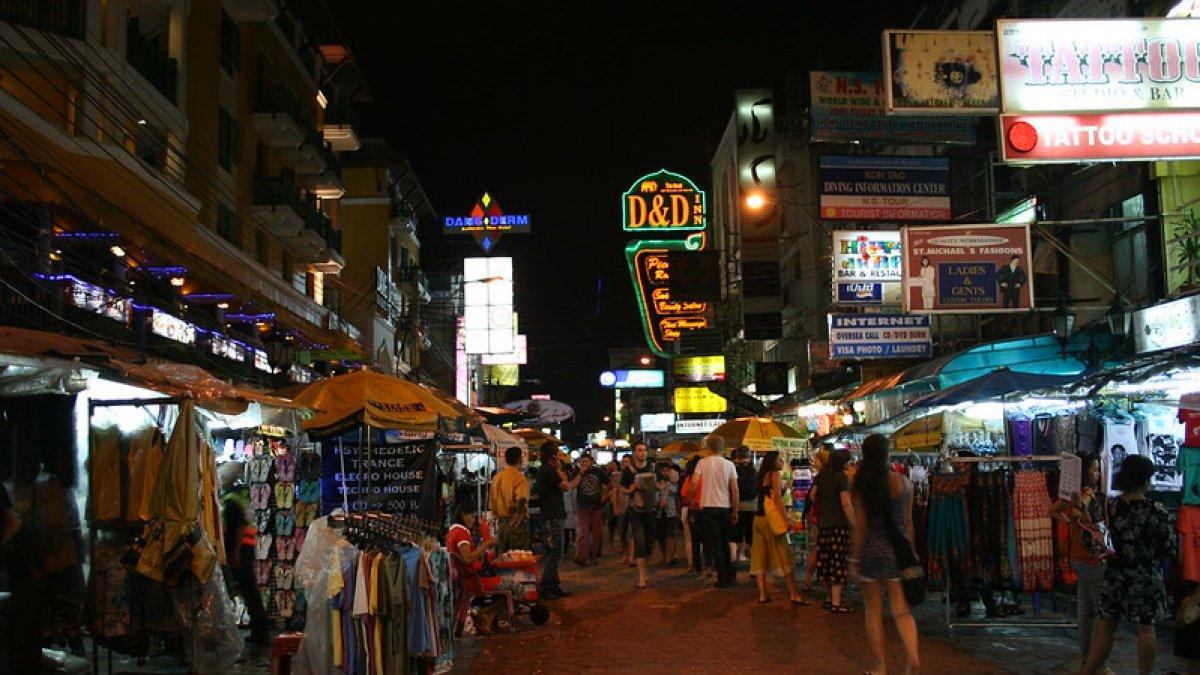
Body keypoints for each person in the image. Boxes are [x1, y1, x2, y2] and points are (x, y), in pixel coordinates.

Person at [1082, 455, 1175, 675]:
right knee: (1146, 627)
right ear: (1145, 480)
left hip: (1115, 575)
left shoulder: (1109, 508)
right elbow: (1167, 548)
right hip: (1146, 576)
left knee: (1105, 627)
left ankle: (1085, 673)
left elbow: (1092, 542)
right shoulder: (1157, 511)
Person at [849, 434, 920, 675]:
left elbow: (860, 527)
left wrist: (854, 559)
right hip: (897, 552)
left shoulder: (862, 484)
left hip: (871, 551)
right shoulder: (904, 483)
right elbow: (908, 522)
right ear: (887, 453)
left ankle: (880, 667)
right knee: (901, 610)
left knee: (873, 612)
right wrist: (911, 551)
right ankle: (912, 656)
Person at [1050, 454, 1110, 672]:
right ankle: (1098, 664)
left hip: (1078, 557)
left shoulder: (1071, 495)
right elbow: (1077, 511)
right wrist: (1081, 517)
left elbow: (1053, 511)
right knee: (1102, 614)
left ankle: (1086, 658)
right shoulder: (1087, 494)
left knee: (1085, 614)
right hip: (1092, 559)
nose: (1098, 473)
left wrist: (1072, 526)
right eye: (1094, 469)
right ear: (1085, 473)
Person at [446, 499, 519, 635]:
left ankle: (487, 616)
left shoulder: (452, 531)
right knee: (517, 589)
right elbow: (467, 558)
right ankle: (486, 614)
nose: (473, 520)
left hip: (467, 579)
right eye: (472, 516)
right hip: (474, 581)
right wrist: (485, 545)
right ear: (463, 515)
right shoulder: (461, 533)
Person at [750, 451, 806, 605]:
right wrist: (786, 519)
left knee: (759, 557)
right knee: (784, 555)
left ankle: (762, 595)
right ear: (773, 461)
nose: (782, 462)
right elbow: (778, 501)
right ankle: (794, 593)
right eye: (779, 459)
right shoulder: (774, 474)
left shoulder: (761, 475)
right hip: (771, 521)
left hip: (758, 519)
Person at [222, 499, 270, 646]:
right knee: (250, 594)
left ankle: (260, 634)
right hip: (245, 552)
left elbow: (239, 530)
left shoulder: (232, 507)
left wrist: (235, 552)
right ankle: (259, 632)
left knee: (250, 593)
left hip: (242, 553)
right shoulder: (235, 506)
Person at [813, 449, 854, 612]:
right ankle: (836, 604)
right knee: (837, 563)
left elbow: (812, 495)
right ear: (843, 462)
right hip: (839, 525)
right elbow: (846, 503)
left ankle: (829, 599)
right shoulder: (842, 478)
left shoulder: (821, 475)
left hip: (823, 524)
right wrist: (855, 522)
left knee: (826, 561)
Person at [696, 435, 739, 588]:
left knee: (716, 544)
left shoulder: (702, 463)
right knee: (725, 542)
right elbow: (734, 489)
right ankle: (730, 574)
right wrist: (735, 510)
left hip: (708, 508)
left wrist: (690, 500)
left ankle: (722, 578)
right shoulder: (729, 465)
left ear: (709, 447)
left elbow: (694, 483)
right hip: (725, 508)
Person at [535, 442, 572, 599]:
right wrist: (558, 468)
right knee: (555, 552)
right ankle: (546, 586)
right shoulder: (549, 471)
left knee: (554, 551)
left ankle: (554, 585)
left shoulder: (544, 470)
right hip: (552, 517)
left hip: (551, 515)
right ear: (552, 455)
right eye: (556, 453)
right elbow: (566, 485)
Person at [620, 442, 658, 588]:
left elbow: (661, 484)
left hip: (651, 510)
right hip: (635, 511)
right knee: (640, 542)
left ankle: (645, 569)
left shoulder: (653, 468)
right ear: (634, 453)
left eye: (644, 450)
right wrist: (630, 490)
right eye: (639, 450)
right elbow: (622, 488)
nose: (642, 453)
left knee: (649, 543)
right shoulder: (629, 471)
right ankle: (641, 577)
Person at [489, 446, 530, 552]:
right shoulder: (519, 478)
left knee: (502, 559)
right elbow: (521, 499)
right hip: (516, 524)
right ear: (520, 459)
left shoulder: (497, 477)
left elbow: (492, 504)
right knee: (517, 559)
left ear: (505, 459)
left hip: (501, 525)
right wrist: (519, 515)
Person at [572, 454, 607, 566]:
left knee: (596, 533)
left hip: (597, 505)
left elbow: (610, 483)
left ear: (591, 462)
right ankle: (581, 556)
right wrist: (580, 474)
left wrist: (606, 495)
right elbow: (572, 486)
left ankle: (593, 556)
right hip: (582, 506)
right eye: (582, 461)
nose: (584, 464)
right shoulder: (577, 472)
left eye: (587, 461)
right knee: (583, 532)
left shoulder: (598, 472)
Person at [679, 449, 708, 574]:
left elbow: (683, 493)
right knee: (707, 539)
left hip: (692, 510)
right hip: (706, 509)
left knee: (693, 539)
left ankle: (695, 565)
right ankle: (708, 566)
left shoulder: (690, 478)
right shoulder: (707, 477)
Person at [733, 446, 758, 564]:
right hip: (752, 505)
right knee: (750, 533)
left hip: (737, 505)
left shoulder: (734, 470)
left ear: (737, 457)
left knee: (738, 532)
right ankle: (753, 559)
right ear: (749, 457)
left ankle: (740, 554)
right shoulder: (753, 470)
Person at [656, 460, 681, 566]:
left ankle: (671, 557)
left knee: (671, 535)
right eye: (663, 470)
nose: (665, 473)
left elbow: (675, 494)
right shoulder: (656, 483)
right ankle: (664, 556)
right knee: (661, 537)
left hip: (671, 512)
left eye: (667, 470)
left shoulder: (673, 484)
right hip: (658, 512)